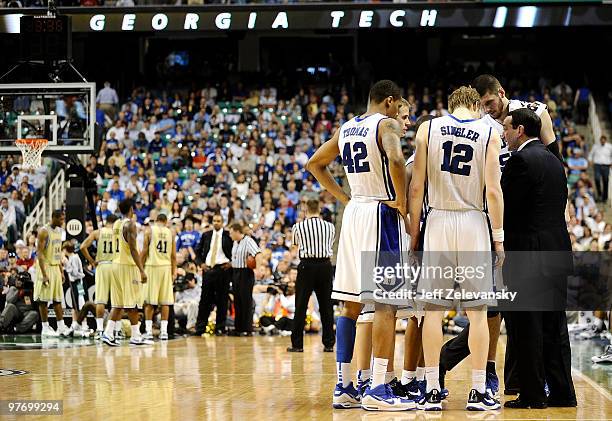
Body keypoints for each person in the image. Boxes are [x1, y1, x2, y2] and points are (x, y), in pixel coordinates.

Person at [307, 80, 413, 411]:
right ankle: (379, 388)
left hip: (354, 214)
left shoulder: (347, 128)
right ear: (390, 101)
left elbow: (314, 163)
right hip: (382, 212)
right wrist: (401, 200)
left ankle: (344, 387)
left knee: (350, 306)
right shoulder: (387, 123)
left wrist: (342, 197)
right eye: (398, 106)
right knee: (385, 303)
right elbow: (396, 159)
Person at [409, 86, 504, 411]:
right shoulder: (488, 131)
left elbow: (417, 186)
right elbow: (493, 190)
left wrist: (413, 234)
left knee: (433, 312)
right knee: (477, 314)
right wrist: (499, 236)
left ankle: (432, 388)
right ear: (476, 106)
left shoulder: (428, 128)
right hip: (473, 222)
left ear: (449, 105)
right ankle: (478, 390)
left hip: (437, 220)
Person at [501, 108, 576, 409]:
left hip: (528, 255)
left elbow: (507, 208)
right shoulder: (555, 162)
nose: (503, 133)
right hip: (557, 251)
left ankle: (532, 395)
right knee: (555, 328)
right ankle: (562, 393)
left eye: (506, 128)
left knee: (527, 326)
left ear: (520, 130)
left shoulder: (520, 160)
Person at [286, 199, 335, 353]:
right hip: (325, 266)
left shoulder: (298, 227)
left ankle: (297, 344)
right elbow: (330, 243)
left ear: (306, 210)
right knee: (326, 306)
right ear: (319, 210)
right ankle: (328, 344)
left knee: (300, 306)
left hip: (306, 266)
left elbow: (295, 244)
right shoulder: (330, 227)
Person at [101, 199, 152, 347]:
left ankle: (108, 333)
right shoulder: (130, 224)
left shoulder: (117, 223)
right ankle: (136, 336)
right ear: (131, 208)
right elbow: (133, 249)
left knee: (118, 303)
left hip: (115, 264)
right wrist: (141, 269)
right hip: (126, 266)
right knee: (132, 303)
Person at [80, 214, 119, 339]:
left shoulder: (98, 232)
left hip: (102, 266)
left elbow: (82, 247)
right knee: (116, 301)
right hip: (115, 266)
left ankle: (100, 330)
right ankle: (116, 331)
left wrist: (91, 261)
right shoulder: (118, 233)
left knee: (100, 300)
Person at [194, 213, 233, 336]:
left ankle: (220, 327)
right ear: (212, 222)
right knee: (204, 300)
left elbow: (235, 250)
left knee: (222, 300)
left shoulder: (228, 235)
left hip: (223, 270)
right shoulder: (206, 235)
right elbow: (197, 252)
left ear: (222, 222)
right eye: (214, 221)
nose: (216, 223)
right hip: (208, 270)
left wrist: (231, 263)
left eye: (219, 221)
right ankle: (200, 328)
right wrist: (201, 264)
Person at [33, 210, 71, 337]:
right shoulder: (44, 231)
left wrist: (61, 270)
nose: (62, 221)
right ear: (53, 218)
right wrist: (44, 274)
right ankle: (45, 327)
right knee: (43, 300)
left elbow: (58, 252)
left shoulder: (59, 232)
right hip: (45, 266)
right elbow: (39, 252)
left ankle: (61, 327)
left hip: (55, 267)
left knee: (57, 299)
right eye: (60, 219)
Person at [141, 213, 177, 341]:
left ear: (156, 221)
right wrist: (174, 271)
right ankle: (164, 332)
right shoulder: (171, 233)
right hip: (166, 268)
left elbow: (144, 252)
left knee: (150, 302)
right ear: (166, 221)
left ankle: (149, 332)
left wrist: (140, 268)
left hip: (152, 266)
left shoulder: (149, 231)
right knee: (165, 302)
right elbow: (173, 255)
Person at [228, 223, 261, 336]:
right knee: (237, 301)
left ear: (237, 232)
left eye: (231, 233)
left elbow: (258, 254)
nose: (230, 235)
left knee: (246, 300)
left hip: (245, 273)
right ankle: (239, 328)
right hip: (236, 272)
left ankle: (247, 328)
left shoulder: (248, 241)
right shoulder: (234, 243)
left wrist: (258, 269)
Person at [588, 135, 612, 202]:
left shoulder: (609, 147)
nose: (602, 141)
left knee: (606, 181)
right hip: (597, 165)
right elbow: (590, 154)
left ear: (605, 140)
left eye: (604, 140)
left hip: (606, 166)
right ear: (600, 140)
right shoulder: (595, 146)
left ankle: (605, 197)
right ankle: (599, 193)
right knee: (597, 179)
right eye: (601, 140)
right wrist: (590, 161)